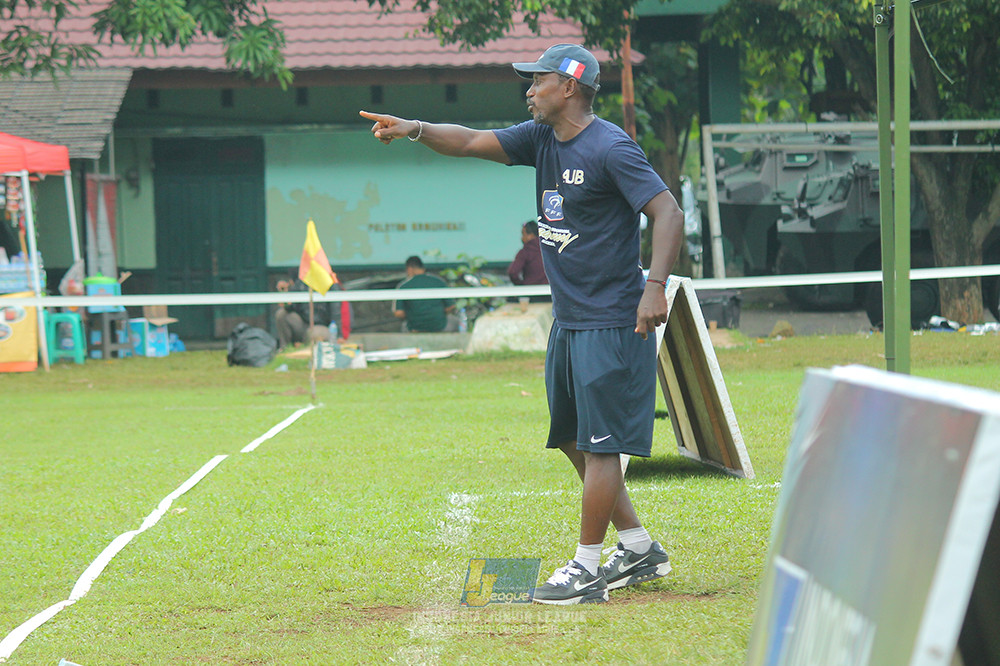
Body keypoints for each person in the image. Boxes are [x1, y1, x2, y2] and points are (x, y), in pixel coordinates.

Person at [360, 42, 685, 605]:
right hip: (571, 320)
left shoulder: (612, 147)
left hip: (614, 321)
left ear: (570, 88)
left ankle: (586, 571)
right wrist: (412, 127)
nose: (528, 91)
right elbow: (464, 141)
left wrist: (653, 286)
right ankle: (636, 546)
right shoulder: (539, 138)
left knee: (603, 446)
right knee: (571, 438)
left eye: (537, 81)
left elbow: (668, 212)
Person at [274, 274, 349, 349]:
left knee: (317, 334)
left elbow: (336, 312)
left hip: (321, 326)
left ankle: (309, 352)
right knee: (281, 314)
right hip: (302, 324)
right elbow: (292, 306)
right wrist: (286, 299)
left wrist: (339, 336)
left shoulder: (330, 283)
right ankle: (285, 349)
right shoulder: (301, 282)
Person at [393, 256, 456, 333]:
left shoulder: (403, 286)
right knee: (455, 321)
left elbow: (398, 313)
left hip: (414, 328)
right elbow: (451, 306)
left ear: (409, 269)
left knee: (404, 326)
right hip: (440, 326)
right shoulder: (439, 282)